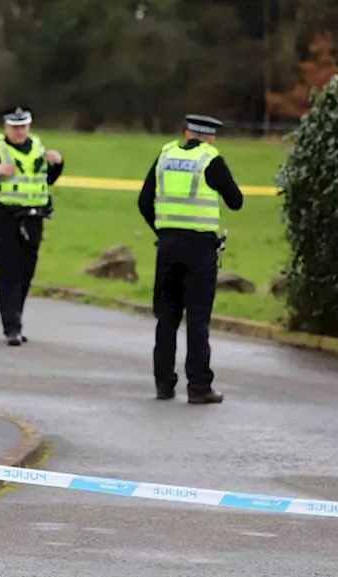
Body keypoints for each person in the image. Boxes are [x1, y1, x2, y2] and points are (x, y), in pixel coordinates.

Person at [136, 114, 244, 404]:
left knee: (167, 315)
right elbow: (236, 201)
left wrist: (163, 229)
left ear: (186, 133)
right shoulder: (211, 159)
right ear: (210, 137)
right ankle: (198, 387)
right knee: (197, 319)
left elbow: (144, 201)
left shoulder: (165, 155)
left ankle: (163, 383)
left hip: (168, 247)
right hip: (199, 250)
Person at [0, 106, 65, 346]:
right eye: (15, 127)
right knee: (8, 272)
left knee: (26, 271)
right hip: (5, 216)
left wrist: (58, 164)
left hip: (34, 217)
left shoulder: (37, 147)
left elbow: (46, 180)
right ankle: (12, 326)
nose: (20, 131)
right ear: (5, 127)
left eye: (23, 126)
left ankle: (16, 317)